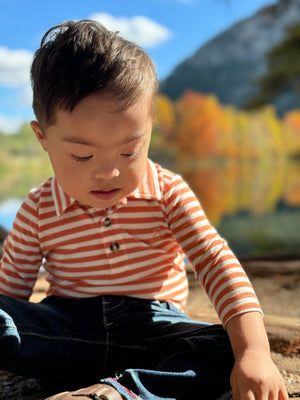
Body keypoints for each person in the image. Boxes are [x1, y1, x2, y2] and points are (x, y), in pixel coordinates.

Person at [0, 20, 288, 400]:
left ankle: (119, 392)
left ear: (149, 129)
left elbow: (216, 263)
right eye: (82, 154)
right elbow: (11, 300)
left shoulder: (168, 193)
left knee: (226, 348)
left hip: (154, 335)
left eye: (129, 151)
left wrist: (254, 353)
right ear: (43, 138)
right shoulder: (38, 207)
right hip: (67, 336)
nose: (108, 172)